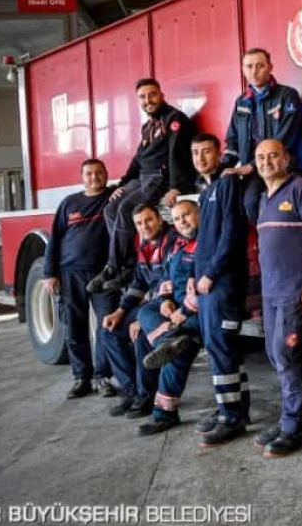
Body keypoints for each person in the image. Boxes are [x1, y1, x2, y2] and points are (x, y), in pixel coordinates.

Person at [253, 139, 302, 457]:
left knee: (286, 356)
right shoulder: (263, 198)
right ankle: (289, 419)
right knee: (275, 355)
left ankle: (295, 426)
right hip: (271, 292)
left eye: (272, 155)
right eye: (260, 157)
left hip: (293, 291)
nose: (266, 161)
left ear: (286, 159)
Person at [93, 78, 196, 291]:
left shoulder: (174, 119)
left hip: (160, 178)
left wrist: (176, 187)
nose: (148, 100)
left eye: (152, 95)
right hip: (142, 178)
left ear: (162, 95)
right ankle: (128, 265)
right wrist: (121, 185)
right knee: (111, 208)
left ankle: (114, 267)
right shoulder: (147, 126)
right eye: (142, 97)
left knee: (126, 209)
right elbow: (138, 159)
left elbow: (176, 156)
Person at [189, 133, 252, 447]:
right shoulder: (206, 191)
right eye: (196, 153)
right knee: (222, 348)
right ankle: (235, 408)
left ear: (218, 155)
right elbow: (204, 243)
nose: (200, 158)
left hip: (222, 285)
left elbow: (231, 236)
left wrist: (211, 275)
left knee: (221, 347)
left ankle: (232, 418)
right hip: (206, 285)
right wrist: (192, 276)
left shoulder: (227, 184)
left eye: (206, 152)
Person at [41, 158, 118, 399]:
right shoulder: (69, 204)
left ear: (106, 174)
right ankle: (81, 377)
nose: (94, 177)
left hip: (104, 273)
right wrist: (49, 273)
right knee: (74, 326)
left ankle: (102, 377)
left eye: (98, 172)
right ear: (81, 177)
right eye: (89, 173)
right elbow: (54, 240)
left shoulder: (114, 197)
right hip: (70, 273)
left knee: (107, 326)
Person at [134, 199, 203, 436]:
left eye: (187, 215)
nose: (182, 221)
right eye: (177, 218)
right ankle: (168, 341)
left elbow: (203, 290)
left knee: (178, 353)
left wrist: (181, 315)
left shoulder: (204, 245)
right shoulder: (177, 246)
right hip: (178, 310)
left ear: (199, 214)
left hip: (198, 314)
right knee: (145, 311)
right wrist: (165, 300)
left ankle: (164, 414)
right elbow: (166, 277)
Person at [102, 204, 176, 419]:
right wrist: (120, 312)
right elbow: (138, 285)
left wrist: (141, 317)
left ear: (160, 219)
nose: (145, 226)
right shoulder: (144, 246)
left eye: (149, 220)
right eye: (139, 223)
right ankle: (131, 391)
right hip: (151, 305)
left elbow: (168, 282)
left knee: (141, 334)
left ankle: (145, 395)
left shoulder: (171, 242)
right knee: (109, 331)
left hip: (169, 304)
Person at [221, 48, 302, 223]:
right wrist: (223, 167)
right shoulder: (241, 102)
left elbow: (285, 138)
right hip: (256, 169)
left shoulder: (287, 95)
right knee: (247, 204)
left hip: (285, 166)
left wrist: (251, 166)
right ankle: (265, 242)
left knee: (279, 205)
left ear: (270, 67)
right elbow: (232, 140)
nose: (254, 71)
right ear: (243, 69)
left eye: (259, 66)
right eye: (249, 66)